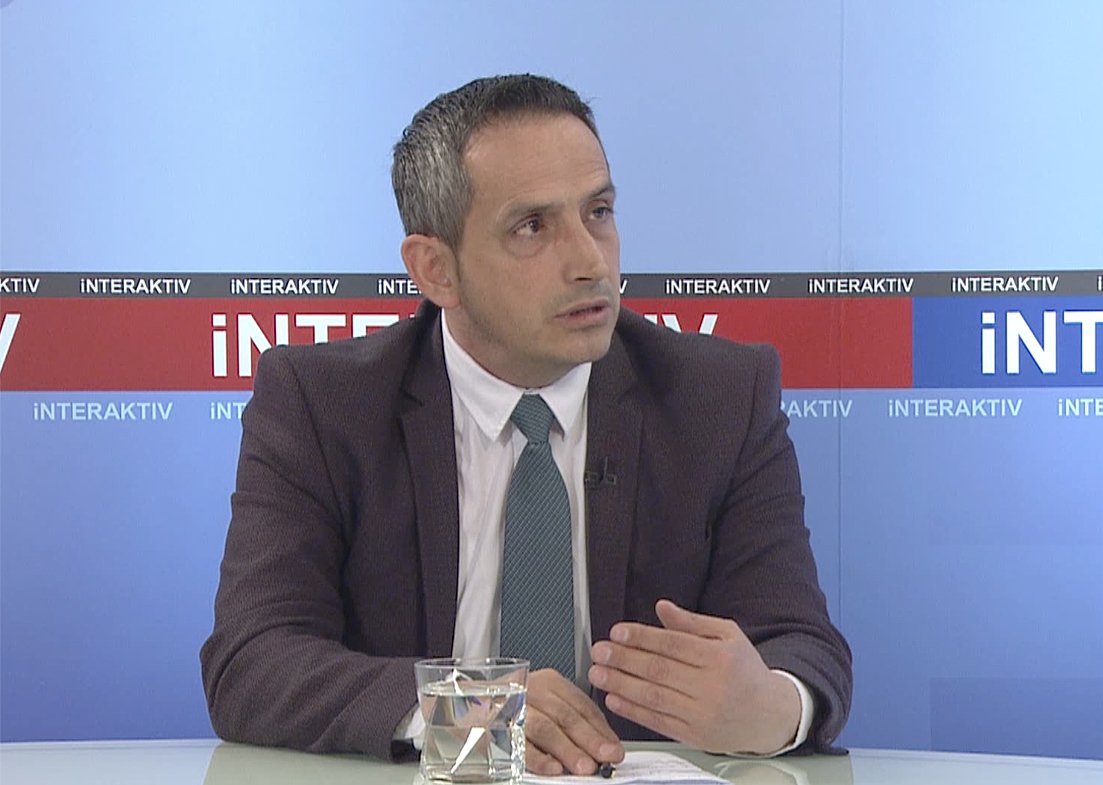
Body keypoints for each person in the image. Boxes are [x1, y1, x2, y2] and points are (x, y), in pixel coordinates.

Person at [200, 74, 851, 772]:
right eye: (532, 227)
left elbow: (802, 646)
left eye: (598, 212)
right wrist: (471, 714)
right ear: (436, 269)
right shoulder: (323, 404)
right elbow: (252, 659)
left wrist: (773, 707)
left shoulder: (717, 398)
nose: (590, 261)